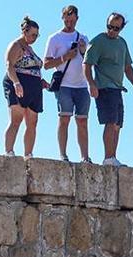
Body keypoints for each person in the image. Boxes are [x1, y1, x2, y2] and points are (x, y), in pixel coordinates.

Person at [83, 12, 133, 167]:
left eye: (116, 28)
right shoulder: (98, 41)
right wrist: (91, 84)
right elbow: (87, 64)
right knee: (110, 122)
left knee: (117, 124)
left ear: (121, 28)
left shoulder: (122, 43)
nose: (112, 31)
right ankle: (108, 157)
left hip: (118, 89)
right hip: (104, 88)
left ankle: (113, 157)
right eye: (109, 27)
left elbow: (127, 67)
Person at [44, 5, 91, 163]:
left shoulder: (83, 38)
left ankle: (85, 157)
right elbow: (46, 64)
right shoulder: (55, 38)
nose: (69, 23)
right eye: (67, 20)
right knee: (64, 118)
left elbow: (89, 62)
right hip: (64, 85)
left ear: (77, 19)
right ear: (62, 18)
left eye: (72, 20)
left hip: (82, 85)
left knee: (82, 121)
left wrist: (83, 51)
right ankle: (63, 155)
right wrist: (65, 57)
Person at [3, 16, 49, 160]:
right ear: (25, 31)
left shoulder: (30, 49)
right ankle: (9, 152)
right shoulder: (16, 45)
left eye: (37, 35)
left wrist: (41, 82)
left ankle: (28, 155)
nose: (35, 38)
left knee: (32, 122)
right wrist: (16, 83)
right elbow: (9, 65)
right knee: (16, 119)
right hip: (19, 83)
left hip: (34, 87)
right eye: (33, 34)